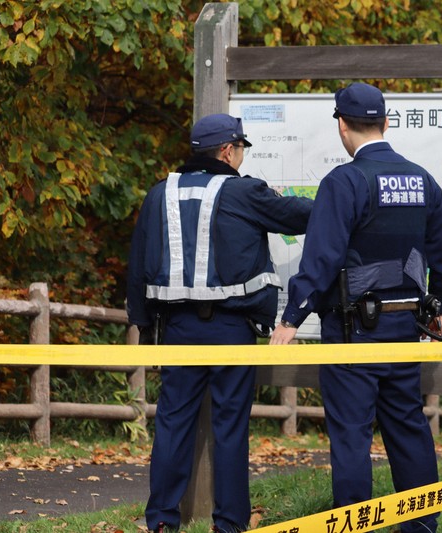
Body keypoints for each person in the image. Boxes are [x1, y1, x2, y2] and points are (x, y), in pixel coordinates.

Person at [270, 82, 442, 533]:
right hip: (405, 331)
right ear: (386, 122)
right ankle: (422, 526)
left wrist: (291, 316)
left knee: (352, 436)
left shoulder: (345, 181)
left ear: (341, 126)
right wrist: (438, 304)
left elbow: (322, 257)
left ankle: (354, 527)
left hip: (355, 335)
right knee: (409, 430)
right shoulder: (421, 179)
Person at [126, 113, 312, 533]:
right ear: (227, 151)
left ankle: (160, 521)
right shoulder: (243, 192)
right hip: (231, 329)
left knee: (172, 423)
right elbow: (301, 216)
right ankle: (229, 523)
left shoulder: (159, 194)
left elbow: (137, 264)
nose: (243, 156)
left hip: (176, 331)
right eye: (242, 148)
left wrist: (143, 325)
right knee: (229, 427)